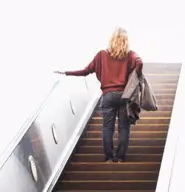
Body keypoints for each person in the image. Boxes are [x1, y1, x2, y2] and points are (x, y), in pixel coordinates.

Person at [56, 28, 143, 162]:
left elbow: (85, 71)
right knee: (123, 127)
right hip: (124, 96)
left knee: (107, 127)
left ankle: (109, 157)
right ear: (126, 41)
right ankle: (120, 157)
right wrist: (133, 79)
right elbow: (140, 63)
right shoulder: (130, 55)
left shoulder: (101, 55)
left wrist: (66, 72)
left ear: (111, 40)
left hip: (108, 95)